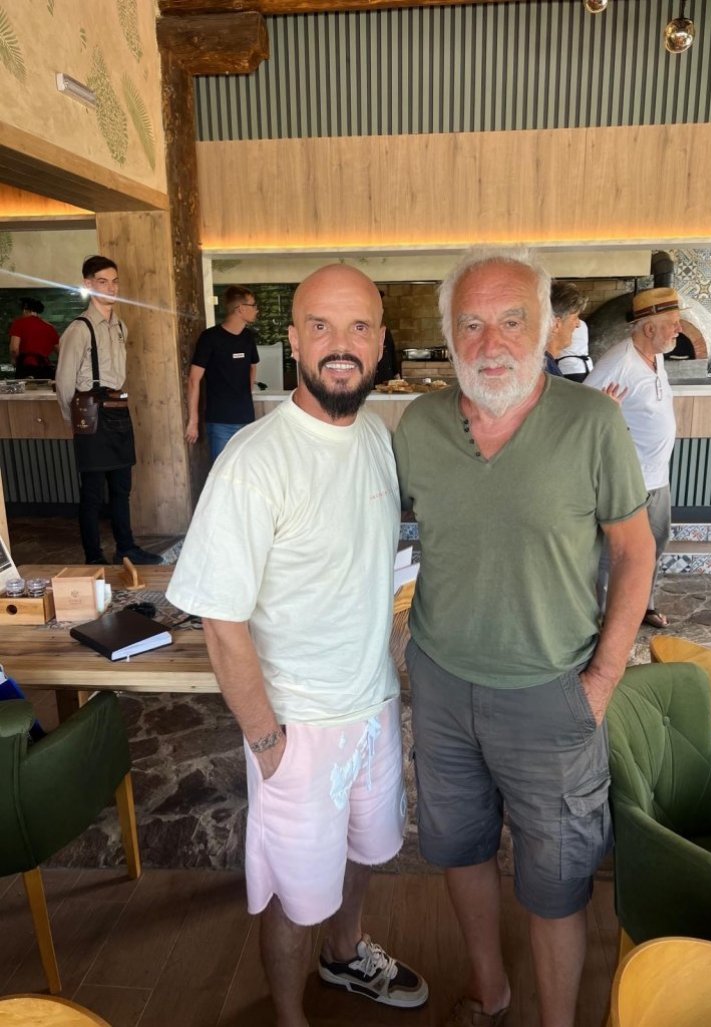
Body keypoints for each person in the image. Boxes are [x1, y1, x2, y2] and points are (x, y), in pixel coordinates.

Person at [392, 247, 655, 1027]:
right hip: (441, 687)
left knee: (558, 881)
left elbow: (635, 552)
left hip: (553, 693)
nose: (491, 342)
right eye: (470, 324)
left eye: (512, 320)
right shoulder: (419, 426)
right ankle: (491, 990)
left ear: (546, 328)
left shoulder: (592, 423)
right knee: (460, 850)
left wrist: (602, 681)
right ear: (449, 335)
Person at [167, 264, 428, 1027]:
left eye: (357, 327)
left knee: (363, 851)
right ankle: (289, 1015)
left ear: (380, 342)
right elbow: (221, 620)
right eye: (321, 326)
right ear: (292, 341)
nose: (340, 344)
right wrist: (266, 739)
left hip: (373, 705)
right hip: (296, 728)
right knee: (293, 892)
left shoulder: (377, 437)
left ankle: (344, 955)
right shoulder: (254, 460)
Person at [584, 286, 682, 630]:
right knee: (615, 553)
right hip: (629, 481)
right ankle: (601, 618)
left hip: (658, 478)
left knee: (654, 545)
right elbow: (582, 412)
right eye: (672, 322)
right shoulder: (619, 362)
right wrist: (608, 416)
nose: (679, 328)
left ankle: (643, 606)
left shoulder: (656, 356)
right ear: (649, 328)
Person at [56, 256, 162, 566]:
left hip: (118, 408)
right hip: (90, 414)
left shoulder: (120, 327)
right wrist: (75, 422)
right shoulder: (79, 329)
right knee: (92, 493)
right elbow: (64, 382)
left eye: (115, 281)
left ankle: (126, 548)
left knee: (121, 488)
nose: (111, 288)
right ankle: (94, 557)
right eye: (103, 282)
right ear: (88, 284)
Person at [184, 285, 260, 461]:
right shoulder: (209, 338)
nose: (256, 310)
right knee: (222, 471)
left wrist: (246, 393)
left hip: (246, 419)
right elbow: (194, 379)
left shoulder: (248, 337)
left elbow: (253, 365)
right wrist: (193, 421)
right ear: (240, 309)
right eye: (253, 305)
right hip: (220, 422)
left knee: (245, 471)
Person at [544, 282, 588, 380]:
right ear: (556, 324)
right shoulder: (547, 375)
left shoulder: (544, 365)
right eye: (575, 318)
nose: (578, 324)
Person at [9, 297, 59, 379]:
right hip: (44, 368)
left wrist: (14, 360)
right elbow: (60, 351)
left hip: (25, 368)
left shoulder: (19, 323)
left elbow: (14, 349)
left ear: (25, 310)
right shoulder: (49, 327)